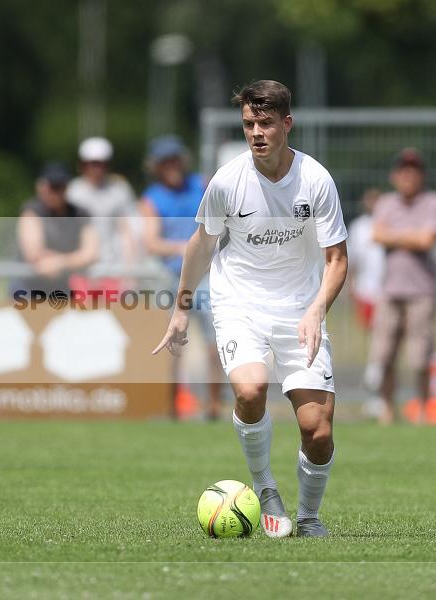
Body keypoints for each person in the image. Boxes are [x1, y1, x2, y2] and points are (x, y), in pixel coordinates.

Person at [152, 81, 349, 538]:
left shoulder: (316, 180)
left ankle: (309, 517)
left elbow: (337, 260)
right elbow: (201, 244)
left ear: (286, 123)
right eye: (248, 124)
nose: (256, 133)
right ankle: (265, 487)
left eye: (265, 123)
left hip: (301, 309)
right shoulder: (227, 181)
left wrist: (317, 310)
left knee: (317, 430)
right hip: (239, 302)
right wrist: (181, 309)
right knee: (251, 388)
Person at [141, 135, 223, 421]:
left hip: (206, 276)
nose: (172, 166)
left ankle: (214, 405)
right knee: (173, 344)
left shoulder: (201, 185)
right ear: (157, 166)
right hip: (173, 278)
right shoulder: (151, 198)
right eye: (166, 162)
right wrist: (185, 249)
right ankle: (172, 407)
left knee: (216, 341)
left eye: (175, 160)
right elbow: (152, 243)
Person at [369, 148, 436, 425]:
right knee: (384, 356)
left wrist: (395, 236)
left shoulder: (433, 201)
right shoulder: (386, 203)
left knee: (420, 358)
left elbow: (427, 240)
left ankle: (423, 411)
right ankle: (388, 410)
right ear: (395, 176)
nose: (408, 176)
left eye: (414, 171)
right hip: (390, 291)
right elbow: (377, 235)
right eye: (404, 171)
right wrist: (411, 236)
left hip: (421, 292)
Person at [66, 137, 138, 288]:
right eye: (92, 164)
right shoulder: (72, 192)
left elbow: (127, 231)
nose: (97, 169)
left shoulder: (120, 190)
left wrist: (130, 271)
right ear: (83, 165)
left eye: (102, 164)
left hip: (113, 270)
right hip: (80, 271)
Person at [16, 162, 99, 294]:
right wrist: (74, 259)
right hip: (28, 289)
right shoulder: (31, 211)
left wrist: (60, 262)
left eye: (60, 186)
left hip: (64, 288)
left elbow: (91, 254)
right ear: (40, 187)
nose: (56, 192)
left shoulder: (80, 213)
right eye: (52, 186)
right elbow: (34, 254)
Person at [347, 188, 387, 419]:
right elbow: (352, 261)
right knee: (375, 341)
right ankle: (375, 391)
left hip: (389, 292)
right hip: (367, 292)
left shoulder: (390, 223)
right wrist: (352, 290)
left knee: (382, 343)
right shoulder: (359, 228)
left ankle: (377, 385)